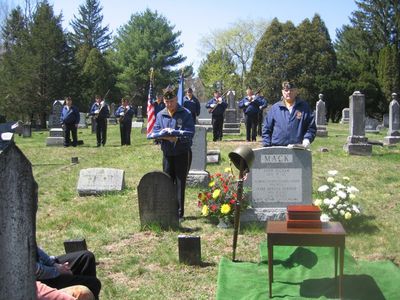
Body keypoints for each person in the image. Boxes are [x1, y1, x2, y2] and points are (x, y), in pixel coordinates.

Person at [152, 86, 195, 220]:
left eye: (171, 102)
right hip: (167, 153)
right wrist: (164, 137)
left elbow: (190, 132)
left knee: (180, 182)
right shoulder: (160, 114)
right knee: (167, 181)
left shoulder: (185, 113)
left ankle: (179, 213)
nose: (169, 104)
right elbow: (156, 131)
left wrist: (176, 138)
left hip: (182, 152)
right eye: (167, 102)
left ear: (176, 99)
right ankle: (169, 210)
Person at [262, 81, 316, 147]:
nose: (289, 92)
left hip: (297, 148)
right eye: (286, 90)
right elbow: (266, 128)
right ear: (282, 92)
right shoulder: (275, 108)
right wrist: (267, 145)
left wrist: (307, 139)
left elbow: (311, 127)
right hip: (277, 148)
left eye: (291, 90)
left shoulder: (304, 108)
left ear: (296, 92)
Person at [36, 247, 101, 300]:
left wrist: (55, 264)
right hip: (37, 281)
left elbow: (35, 249)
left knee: (86, 257)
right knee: (92, 283)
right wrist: (57, 271)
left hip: (44, 266)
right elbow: (34, 270)